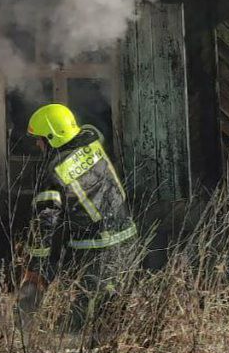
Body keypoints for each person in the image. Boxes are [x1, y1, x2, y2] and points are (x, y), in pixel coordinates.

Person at [20, 102, 139, 327]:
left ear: (53, 138)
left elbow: (45, 224)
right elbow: (91, 130)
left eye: (41, 139)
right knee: (123, 305)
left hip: (96, 251)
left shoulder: (52, 174)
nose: (37, 144)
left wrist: (35, 265)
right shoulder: (92, 142)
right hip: (127, 237)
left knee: (89, 315)